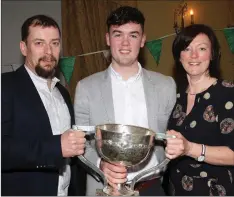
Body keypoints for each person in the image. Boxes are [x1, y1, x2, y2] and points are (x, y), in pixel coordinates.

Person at [74, 6, 176, 196]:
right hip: (104, 189)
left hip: (151, 189)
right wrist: (100, 164)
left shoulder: (166, 86)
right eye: (118, 35)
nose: (125, 44)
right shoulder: (85, 87)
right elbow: (81, 145)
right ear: (107, 39)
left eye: (133, 35)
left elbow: (173, 137)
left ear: (143, 40)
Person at [1, 15, 87, 196]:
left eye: (54, 43)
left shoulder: (62, 93)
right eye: (39, 43)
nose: (48, 51)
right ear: (24, 48)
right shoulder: (5, 86)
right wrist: (56, 147)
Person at [165, 24, 234, 195]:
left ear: (212, 54)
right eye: (187, 49)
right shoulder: (176, 98)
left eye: (202, 48)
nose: (194, 55)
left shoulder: (228, 93)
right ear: (179, 56)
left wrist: (190, 149)